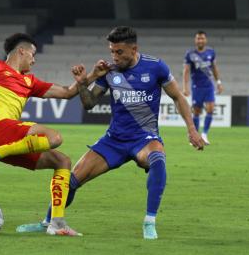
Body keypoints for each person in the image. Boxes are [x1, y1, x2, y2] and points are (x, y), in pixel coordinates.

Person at [17, 26, 206, 239]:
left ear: (134, 49)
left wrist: (191, 129)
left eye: (119, 52)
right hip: (114, 140)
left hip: (144, 138)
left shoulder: (156, 67)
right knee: (71, 180)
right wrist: (81, 83)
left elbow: (178, 97)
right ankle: (48, 221)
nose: (114, 57)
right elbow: (89, 104)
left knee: (158, 159)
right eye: (111, 51)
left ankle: (149, 222)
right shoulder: (109, 71)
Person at [0, 33, 111, 236]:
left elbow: (67, 93)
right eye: (33, 54)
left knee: (63, 162)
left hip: (10, 140)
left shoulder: (29, 81)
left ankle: (57, 224)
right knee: (55, 138)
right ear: (22, 50)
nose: (34, 60)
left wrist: (92, 76)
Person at [183, 31, 223, 144]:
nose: (200, 40)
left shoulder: (211, 52)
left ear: (206, 40)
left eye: (202, 38)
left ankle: (204, 135)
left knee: (210, 108)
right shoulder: (190, 54)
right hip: (197, 86)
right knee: (197, 111)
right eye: (198, 38)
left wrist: (218, 82)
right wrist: (185, 86)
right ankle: (194, 136)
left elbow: (214, 68)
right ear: (195, 40)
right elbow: (186, 71)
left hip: (209, 86)